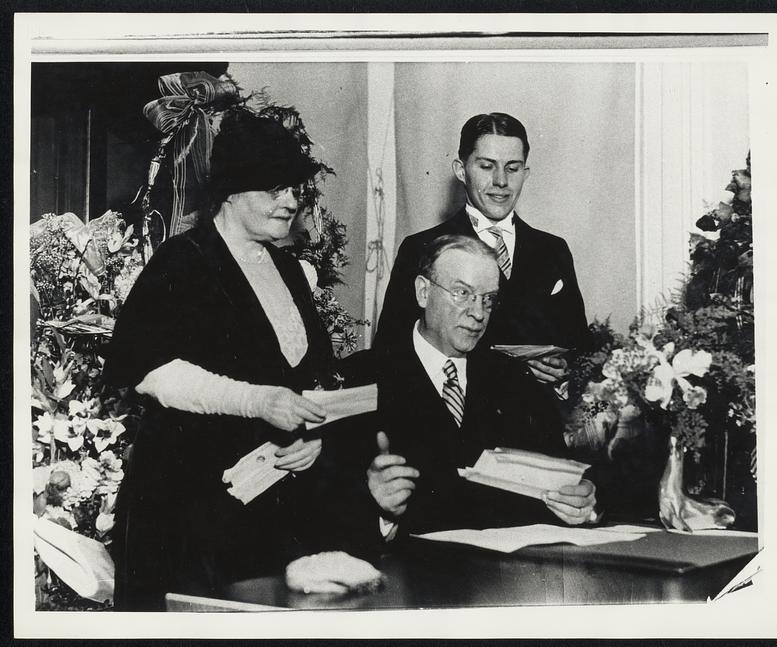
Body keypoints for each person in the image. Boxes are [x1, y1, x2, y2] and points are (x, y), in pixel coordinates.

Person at [104, 108, 351, 610]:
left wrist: (313, 437)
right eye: (274, 189)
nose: (290, 202)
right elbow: (151, 371)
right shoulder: (183, 261)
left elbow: (312, 376)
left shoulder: (290, 268)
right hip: (188, 504)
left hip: (271, 505)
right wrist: (257, 402)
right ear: (233, 191)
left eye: (294, 189)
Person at [366, 234, 598, 536]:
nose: (478, 314)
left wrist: (582, 500)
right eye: (462, 293)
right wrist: (379, 511)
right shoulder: (365, 379)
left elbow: (564, 473)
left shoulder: (516, 381)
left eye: (488, 299)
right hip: (408, 574)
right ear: (423, 292)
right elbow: (317, 512)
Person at [374, 112, 590, 387]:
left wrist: (564, 367)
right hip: (460, 419)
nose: (501, 181)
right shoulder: (421, 248)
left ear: (525, 174)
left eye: (512, 168)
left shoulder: (553, 249)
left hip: (539, 419)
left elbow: (580, 345)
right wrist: (512, 370)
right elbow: (391, 351)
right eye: (487, 166)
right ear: (461, 170)